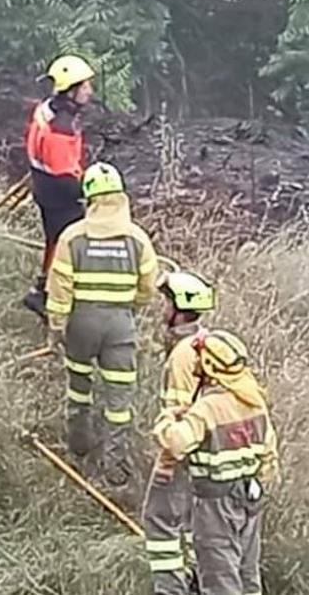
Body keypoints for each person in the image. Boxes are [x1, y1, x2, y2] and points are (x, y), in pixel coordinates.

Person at [45, 161, 159, 486]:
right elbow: (148, 286)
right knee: (119, 399)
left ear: (90, 199)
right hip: (120, 324)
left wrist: (57, 327)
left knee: (79, 388)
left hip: (81, 324)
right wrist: (130, 309)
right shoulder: (137, 238)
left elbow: (59, 287)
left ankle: (78, 445)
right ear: (121, 197)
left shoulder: (73, 237)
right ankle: (116, 468)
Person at [154, 330, 278, 595]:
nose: (196, 363)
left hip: (214, 505)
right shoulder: (255, 402)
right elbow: (269, 458)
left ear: (210, 366)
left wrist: (167, 418)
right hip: (250, 499)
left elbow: (175, 444)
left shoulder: (208, 408)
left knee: (220, 577)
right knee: (247, 574)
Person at [144, 271, 216, 595]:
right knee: (192, 522)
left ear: (178, 309)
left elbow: (178, 414)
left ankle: (170, 588)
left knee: (159, 521)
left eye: (167, 302)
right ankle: (199, 580)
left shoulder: (183, 355)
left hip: (184, 453)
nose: (163, 309)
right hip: (211, 456)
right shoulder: (209, 343)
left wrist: (165, 466)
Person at [22, 54, 96, 318]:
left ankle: (41, 291)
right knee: (69, 248)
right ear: (71, 89)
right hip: (59, 195)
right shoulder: (60, 128)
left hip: (44, 188)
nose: (90, 91)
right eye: (86, 86)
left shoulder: (47, 109)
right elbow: (66, 178)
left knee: (54, 242)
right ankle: (54, 302)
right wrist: (94, 192)